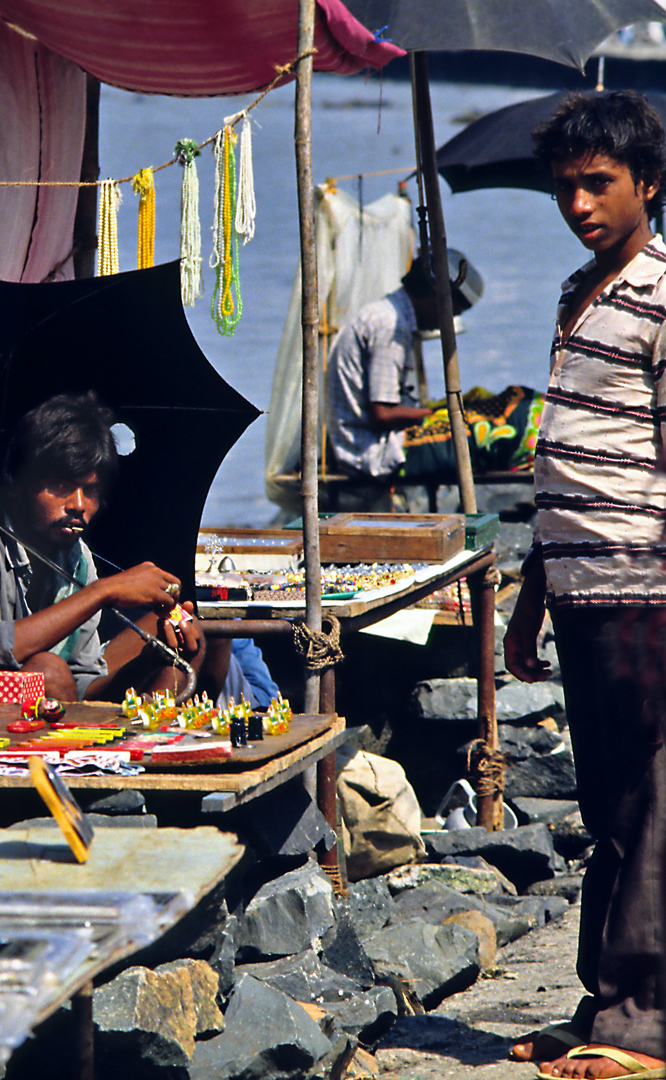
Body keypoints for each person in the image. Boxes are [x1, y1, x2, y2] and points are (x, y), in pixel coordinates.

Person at [505, 90, 666, 1080]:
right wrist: (531, 595)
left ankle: (643, 1021)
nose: (576, 203)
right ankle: (602, 1000)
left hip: (644, 582)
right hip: (580, 584)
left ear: (648, 185)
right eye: (563, 187)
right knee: (605, 799)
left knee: (652, 796)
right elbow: (560, 462)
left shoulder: (661, 295)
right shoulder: (579, 293)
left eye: (595, 184)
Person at [0, 391, 243, 703]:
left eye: (90, 490)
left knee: (183, 625)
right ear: (16, 485)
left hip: (44, 706)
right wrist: (102, 592)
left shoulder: (75, 557)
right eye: (59, 486)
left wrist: (150, 663)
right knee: (47, 671)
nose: (78, 504)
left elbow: (83, 689)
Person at [325, 248, 484, 482]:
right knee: (491, 430)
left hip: (367, 440)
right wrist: (438, 413)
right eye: (453, 312)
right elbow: (382, 414)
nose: (447, 322)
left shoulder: (389, 313)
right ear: (436, 297)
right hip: (370, 451)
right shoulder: (391, 325)